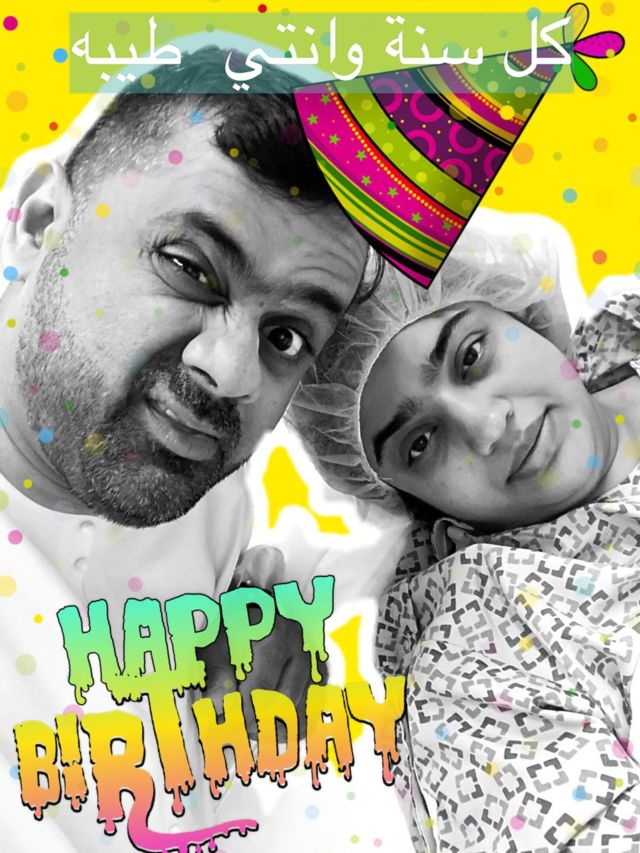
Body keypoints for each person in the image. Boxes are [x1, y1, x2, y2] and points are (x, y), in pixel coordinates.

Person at [0, 45, 373, 851]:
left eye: (285, 335)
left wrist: (266, 629)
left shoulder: (206, 497)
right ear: (38, 223)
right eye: (189, 268)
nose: (232, 373)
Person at [289, 220, 640, 851]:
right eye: (420, 443)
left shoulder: (627, 326)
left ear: (521, 314)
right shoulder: (478, 676)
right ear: (418, 503)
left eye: (471, 356)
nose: (487, 427)